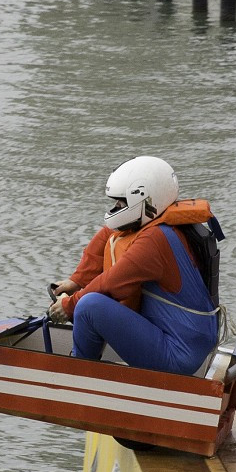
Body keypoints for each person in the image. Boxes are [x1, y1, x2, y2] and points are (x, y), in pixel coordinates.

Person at [48, 156, 220, 376]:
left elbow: (111, 282)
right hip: (189, 342)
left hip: (178, 354)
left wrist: (69, 305)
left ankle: (79, 377)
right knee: (87, 300)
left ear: (145, 199)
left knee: (89, 306)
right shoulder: (159, 223)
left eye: (121, 203)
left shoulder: (154, 241)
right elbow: (108, 234)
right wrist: (76, 281)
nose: (116, 208)